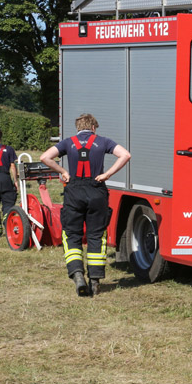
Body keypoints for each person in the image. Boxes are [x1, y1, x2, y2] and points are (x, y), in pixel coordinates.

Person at [40, 113, 130, 297]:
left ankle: (78, 274)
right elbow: (125, 155)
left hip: (74, 191)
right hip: (97, 190)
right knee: (96, 235)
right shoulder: (103, 141)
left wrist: (63, 172)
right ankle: (95, 280)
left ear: (78, 128)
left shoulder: (68, 142)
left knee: (72, 234)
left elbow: (45, 157)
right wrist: (107, 175)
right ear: (94, 127)